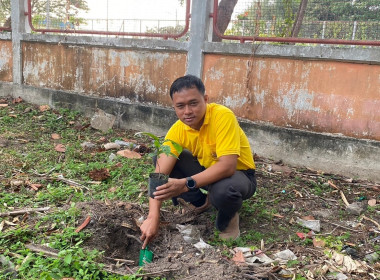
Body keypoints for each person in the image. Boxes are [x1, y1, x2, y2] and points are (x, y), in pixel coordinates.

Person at [139, 75, 257, 249]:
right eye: (180, 106)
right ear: (174, 107)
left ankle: (229, 218)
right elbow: (159, 176)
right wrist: (152, 217)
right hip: (206, 170)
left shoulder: (222, 116)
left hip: (239, 176)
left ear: (206, 100)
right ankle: (200, 203)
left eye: (193, 103)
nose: (187, 111)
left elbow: (228, 166)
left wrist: (186, 184)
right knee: (161, 158)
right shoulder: (178, 129)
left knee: (224, 190)